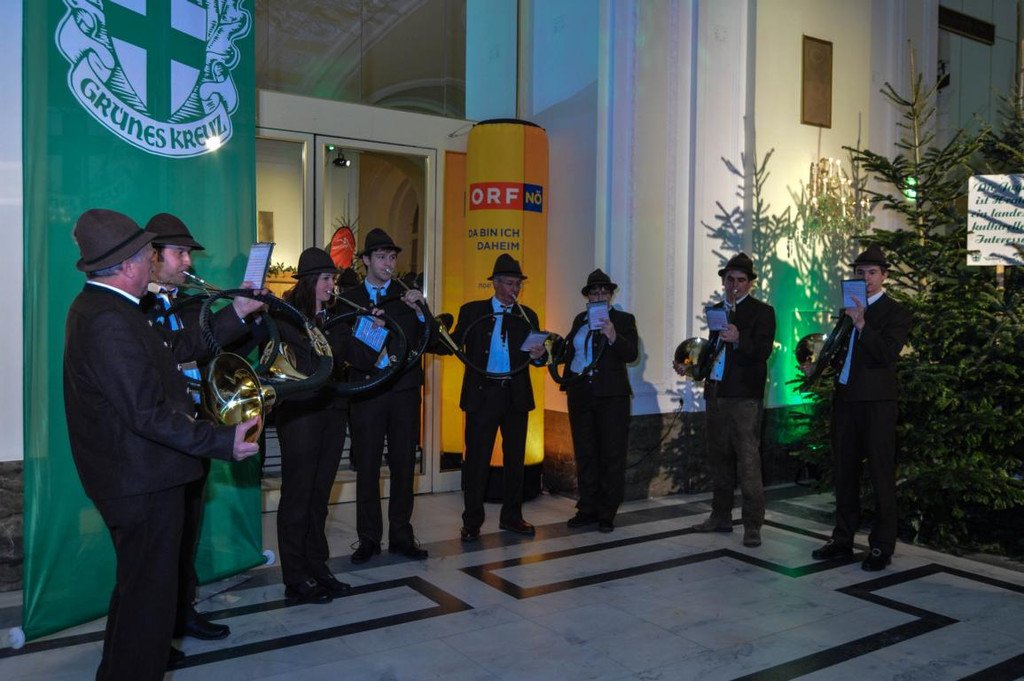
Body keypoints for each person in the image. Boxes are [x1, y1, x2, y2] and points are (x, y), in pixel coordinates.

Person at [64, 209, 259, 681]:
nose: (152, 260)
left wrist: (236, 312)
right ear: (127, 264)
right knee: (148, 611)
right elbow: (146, 413)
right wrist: (221, 440)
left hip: (139, 476)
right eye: (147, 253)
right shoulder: (108, 320)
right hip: (142, 481)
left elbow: (178, 352)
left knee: (137, 596)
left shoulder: (106, 309)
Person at [141, 213, 263, 641]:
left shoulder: (192, 302)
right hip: (163, 436)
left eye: (188, 253)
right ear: (153, 256)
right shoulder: (137, 307)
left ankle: (183, 610)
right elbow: (173, 352)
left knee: (187, 528)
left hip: (199, 428)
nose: (188, 261)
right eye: (180, 252)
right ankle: (157, 629)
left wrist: (249, 317)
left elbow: (213, 348)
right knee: (159, 542)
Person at [809, 245, 912, 571]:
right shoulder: (848, 311)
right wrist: (817, 366)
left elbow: (886, 354)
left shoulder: (896, 312)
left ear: (884, 276)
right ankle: (842, 539)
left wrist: (863, 324)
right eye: (860, 272)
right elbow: (840, 354)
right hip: (846, 400)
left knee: (881, 474)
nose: (865, 278)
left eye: (871, 272)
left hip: (877, 404)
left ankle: (882, 546)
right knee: (845, 473)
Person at [273, 247, 356, 603]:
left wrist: (375, 330)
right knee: (298, 495)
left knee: (320, 496)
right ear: (308, 282)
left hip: (332, 411)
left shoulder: (337, 316)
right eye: (325, 279)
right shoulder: (285, 315)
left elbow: (359, 357)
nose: (330, 286)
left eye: (332, 279)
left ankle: (317, 566)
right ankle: (296, 576)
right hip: (300, 414)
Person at [676, 252, 775, 548]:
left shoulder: (762, 311)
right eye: (730, 279)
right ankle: (720, 516)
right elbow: (713, 352)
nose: (734, 285)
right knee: (719, 458)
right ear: (724, 281)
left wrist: (739, 339)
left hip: (744, 397)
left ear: (750, 283)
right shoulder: (717, 311)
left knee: (748, 461)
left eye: (741, 280)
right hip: (716, 392)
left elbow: (763, 352)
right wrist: (691, 367)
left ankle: (753, 525)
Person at [345, 228, 431, 564]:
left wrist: (421, 311)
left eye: (392, 257)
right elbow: (344, 348)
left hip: (403, 392)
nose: (388, 263)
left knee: (403, 464)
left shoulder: (406, 296)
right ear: (366, 261)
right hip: (367, 392)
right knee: (367, 466)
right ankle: (368, 539)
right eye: (381, 257)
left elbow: (432, 342)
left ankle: (401, 536)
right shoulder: (350, 298)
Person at [450, 253, 547, 542]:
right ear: (494, 283)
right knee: (477, 460)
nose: (514, 289)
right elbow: (452, 344)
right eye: (508, 283)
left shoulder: (527, 315)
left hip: (515, 395)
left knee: (515, 459)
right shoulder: (472, 311)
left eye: (518, 284)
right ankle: (472, 521)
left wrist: (540, 355)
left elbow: (538, 359)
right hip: (483, 395)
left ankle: (512, 516)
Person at [561, 269, 639, 533]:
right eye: (594, 292)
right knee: (585, 453)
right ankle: (587, 508)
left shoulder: (623, 320)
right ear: (588, 297)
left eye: (604, 292)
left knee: (611, 454)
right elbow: (569, 352)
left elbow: (631, 354)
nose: (599, 296)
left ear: (610, 295)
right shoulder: (580, 319)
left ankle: (607, 512)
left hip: (612, 397)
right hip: (581, 394)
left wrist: (612, 334)